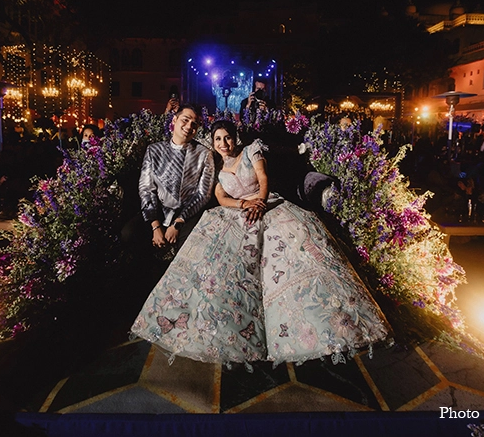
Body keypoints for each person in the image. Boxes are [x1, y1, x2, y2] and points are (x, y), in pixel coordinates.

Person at [131, 120, 389, 367]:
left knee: (295, 247)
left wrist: (260, 203)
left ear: (235, 138)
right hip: (237, 211)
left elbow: (263, 179)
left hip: (268, 204)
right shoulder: (216, 167)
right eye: (218, 139)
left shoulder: (251, 151)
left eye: (227, 138)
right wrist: (244, 204)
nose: (223, 143)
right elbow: (221, 198)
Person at [121, 105, 216, 265]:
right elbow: (146, 189)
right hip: (158, 210)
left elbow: (203, 194)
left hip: (187, 213)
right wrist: (155, 225)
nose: (189, 126)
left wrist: (178, 222)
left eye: (194, 124)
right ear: (174, 120)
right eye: (185, 120)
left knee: (189, 247)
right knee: (128, 233)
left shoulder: (204, 154)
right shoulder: (154, 150)